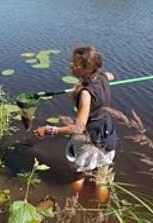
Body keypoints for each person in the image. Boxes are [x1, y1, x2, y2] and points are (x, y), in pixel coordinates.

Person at [33, 46, 117, 203]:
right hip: (107, 133)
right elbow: (111, 75)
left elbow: (78, 128)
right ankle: (102, 214)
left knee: (80, 174)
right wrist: (87, 83)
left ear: (89, 67)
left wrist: (49, 129)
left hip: (90, 138)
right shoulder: (103, 77)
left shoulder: (86, 94)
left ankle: (73, 205)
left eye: (76, 64)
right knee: (102, 178)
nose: (72, 67)